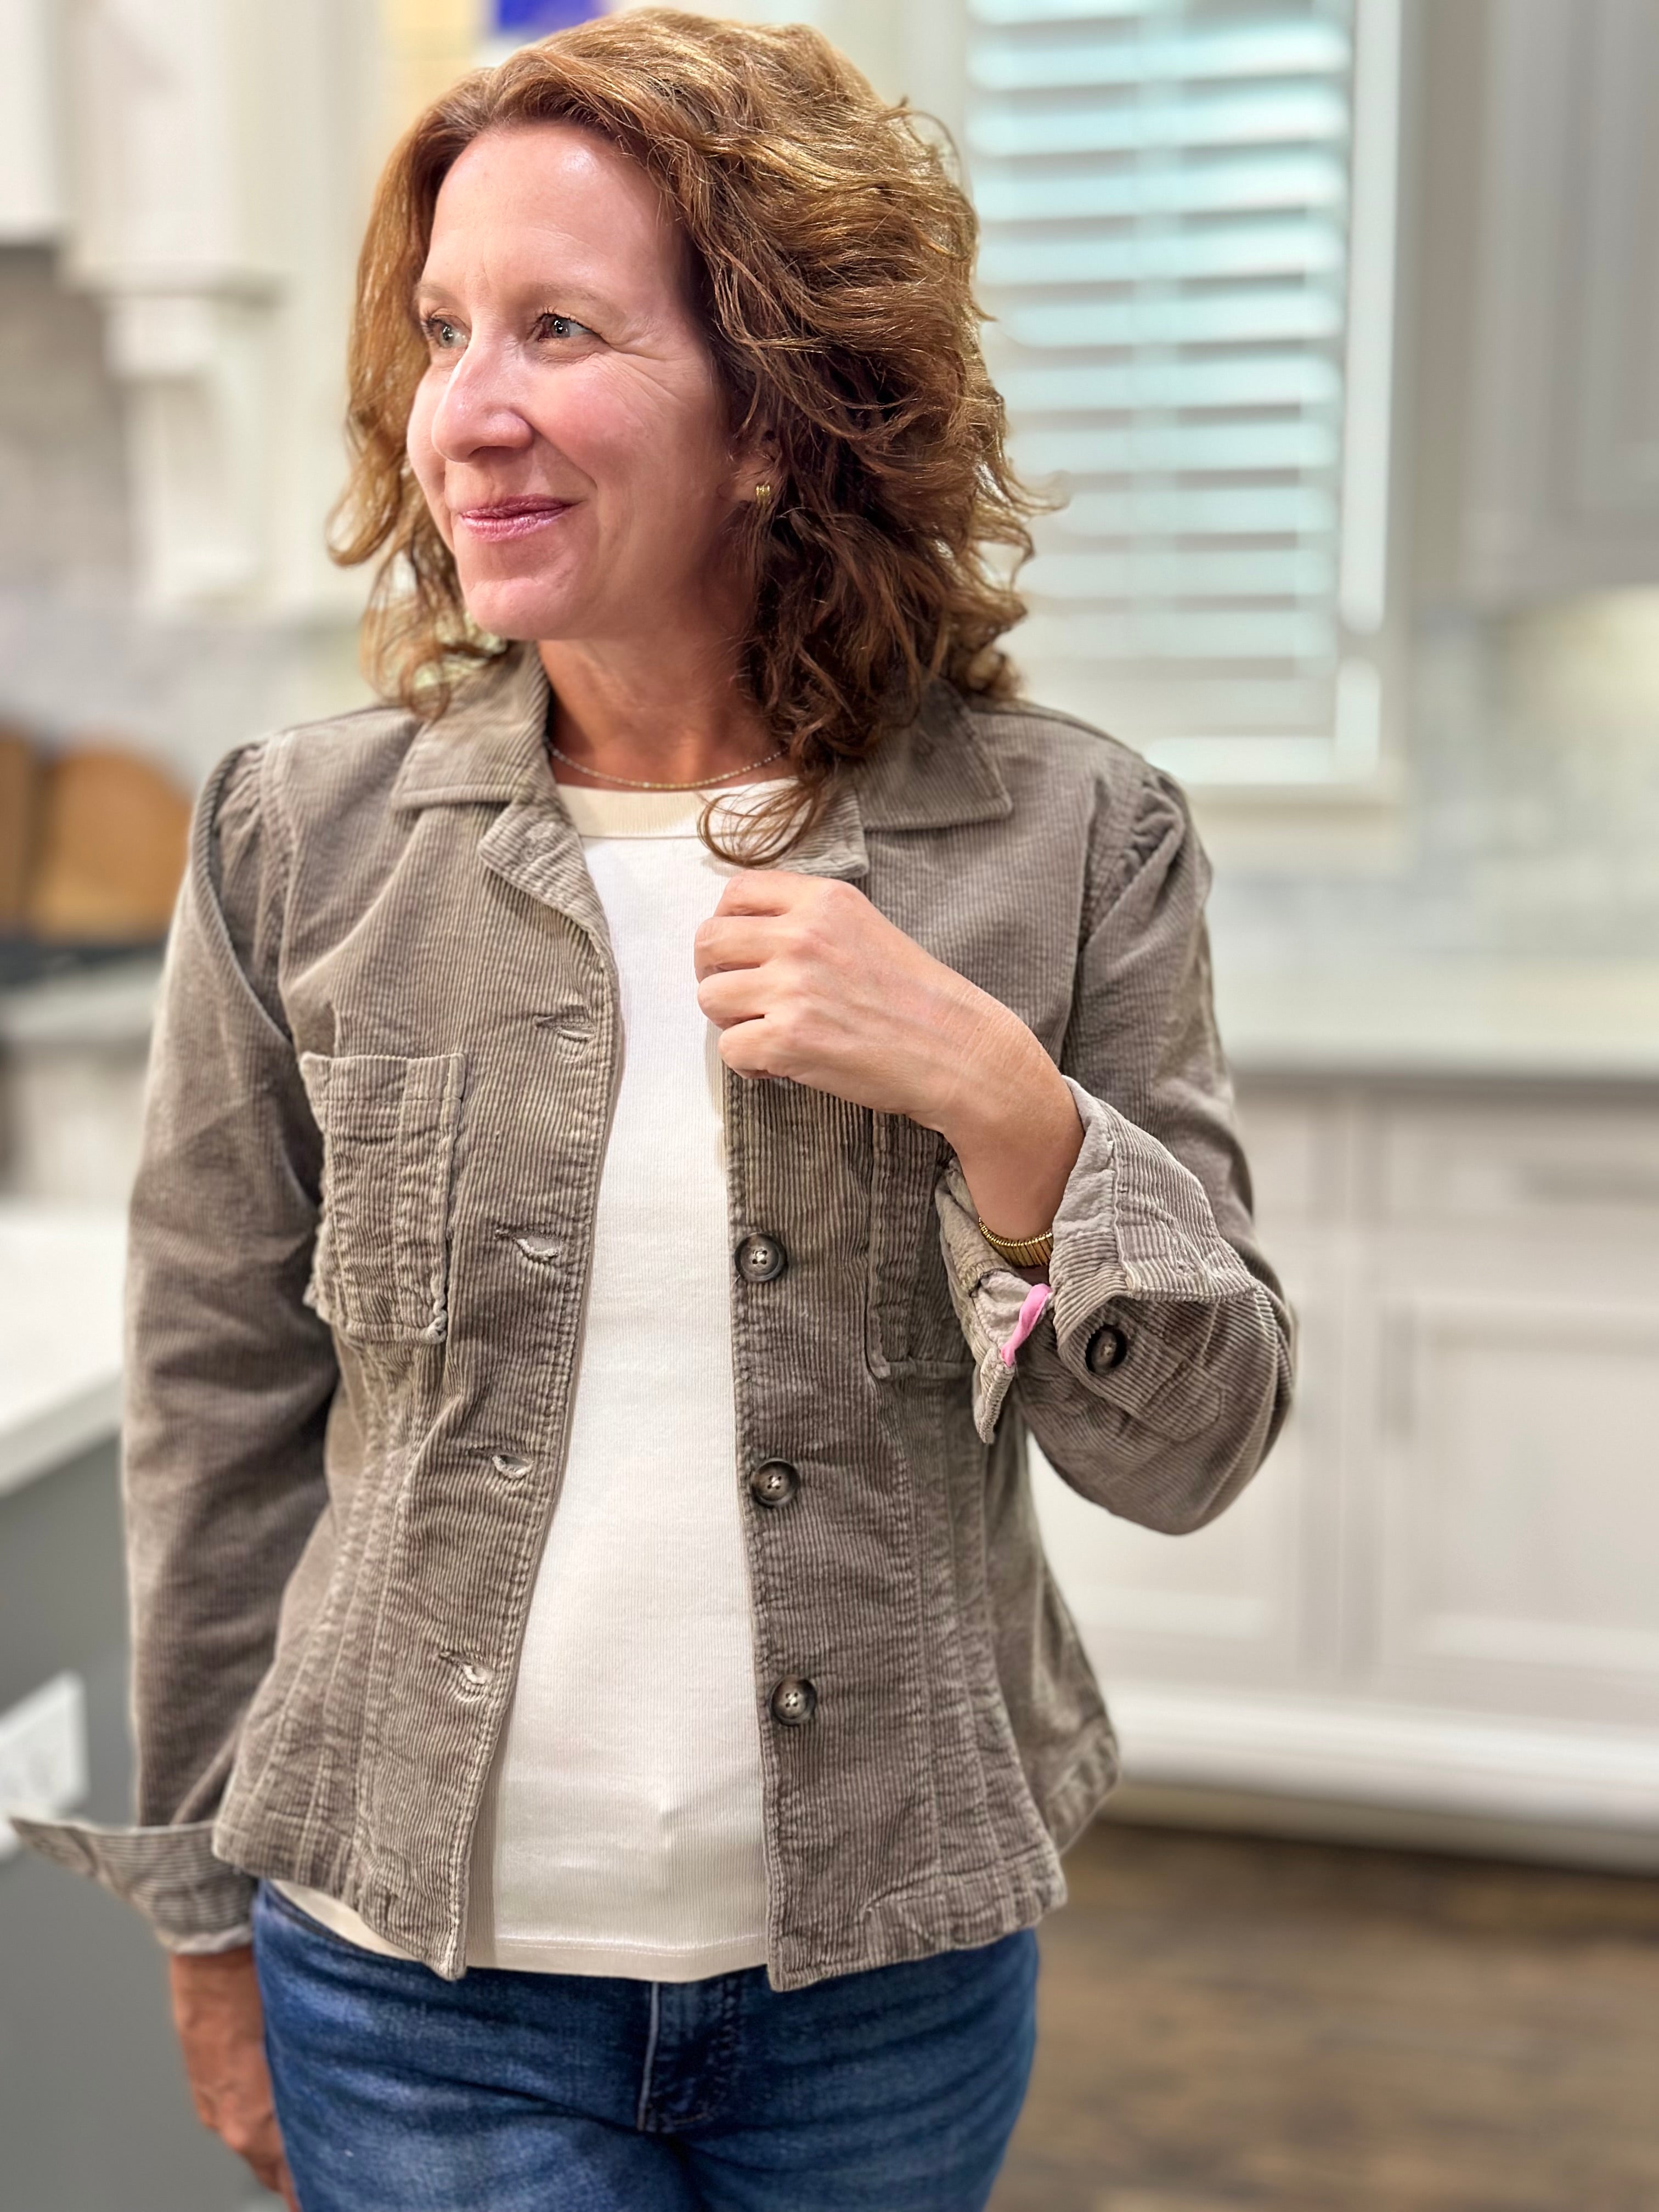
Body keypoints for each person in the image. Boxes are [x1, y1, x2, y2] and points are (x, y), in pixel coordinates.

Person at [14, 12, 1294, 2209]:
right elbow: (218, 1412)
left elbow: (1195, 1444)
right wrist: (206, 1929)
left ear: (778, 413)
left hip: (886, 1981)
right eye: (443, 333)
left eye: (559, 329)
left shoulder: (1072, 842)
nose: (464, 411)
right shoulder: (300, 845)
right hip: (417, 1994)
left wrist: (1008, 1107)